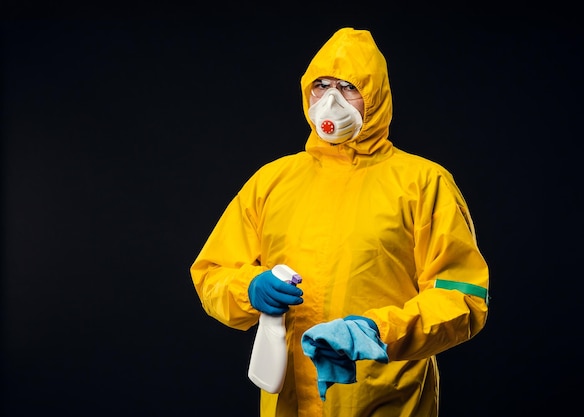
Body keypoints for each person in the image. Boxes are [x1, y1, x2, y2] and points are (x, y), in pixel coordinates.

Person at [190, 27, 490, 417]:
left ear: (376, 96)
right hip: (287, 402)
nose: (330, 100)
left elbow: (463, 296)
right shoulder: (273, 181)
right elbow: (211, 272)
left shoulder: (423, 183)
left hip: (383, 402)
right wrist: (249, 288)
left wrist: (376, 332)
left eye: (349, 87)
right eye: (321, 85)